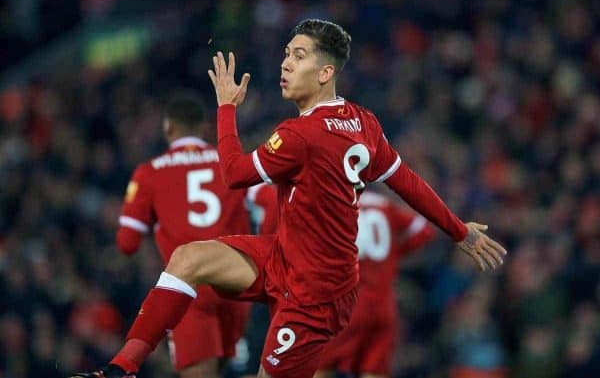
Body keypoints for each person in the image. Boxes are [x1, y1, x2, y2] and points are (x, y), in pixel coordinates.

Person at [70, 19, 506, 378]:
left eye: (298, 56)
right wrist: (459, 231)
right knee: (188, 258)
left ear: (325, 72)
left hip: (315, 295)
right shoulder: (363, 122)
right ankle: (120, 369)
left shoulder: (299, 135)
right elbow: (405, 180)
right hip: (286, 257)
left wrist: (226, 109)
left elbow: (234, 174)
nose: (285, 64)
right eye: (285, 53)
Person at [114, 93, 276, 378]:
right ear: (204, 128)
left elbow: (127, 243)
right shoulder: (230, 162)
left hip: (187, 292)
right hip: (236, 285)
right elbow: (271, 199)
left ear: (168, 128)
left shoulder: (148, 173)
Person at [315, 190, 435, 378]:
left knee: (320, 367)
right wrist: (394, 254)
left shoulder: (336, 205)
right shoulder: (386, 206)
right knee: (373, 371)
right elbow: (424, 228)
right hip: (384, 305)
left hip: (349, 304)